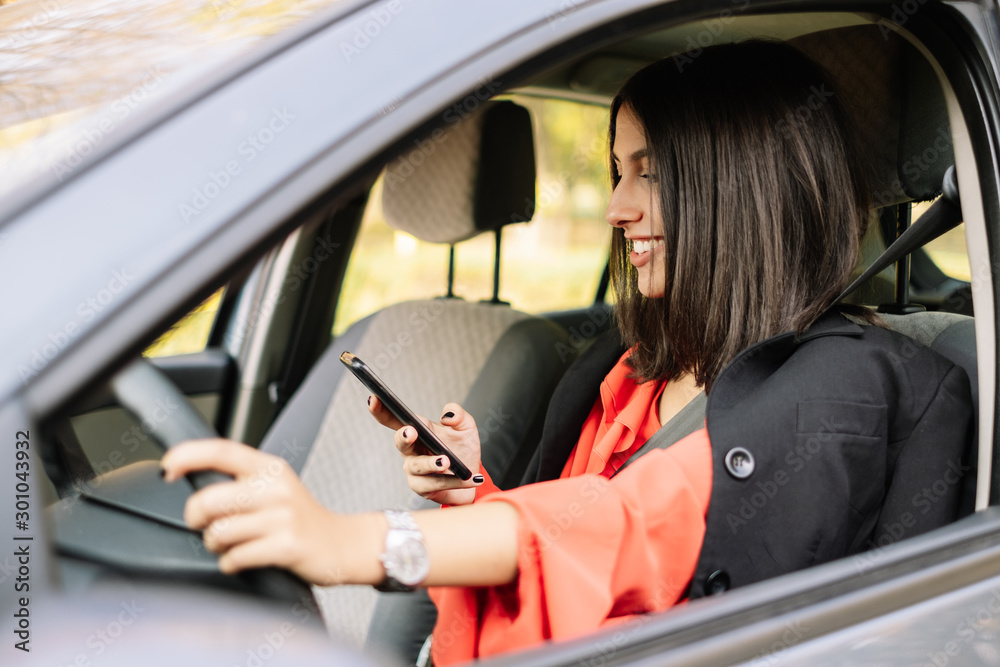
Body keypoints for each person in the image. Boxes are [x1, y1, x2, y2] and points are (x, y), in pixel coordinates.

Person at [161, 41, 973, 665]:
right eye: (619, 172)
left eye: (647, 174)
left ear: (741, 187)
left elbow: (631, 528)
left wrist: (357, 543)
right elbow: (564, 549)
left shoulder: (849, 386)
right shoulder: (625, 369)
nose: (617, 206)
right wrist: (471, 493)